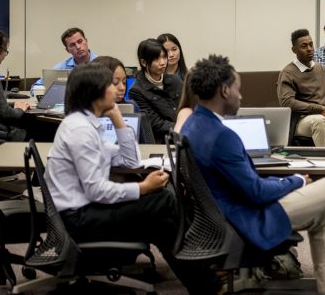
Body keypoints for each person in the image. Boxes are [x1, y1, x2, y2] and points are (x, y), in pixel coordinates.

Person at [181, 55, 325, 295]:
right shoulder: (221, 136)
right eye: (238, 90)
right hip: (249, 218)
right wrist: (297, 181)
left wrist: (284, 183)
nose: (241, 96)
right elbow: (256, 193)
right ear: (224, 90)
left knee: (322, 213)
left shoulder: (193, 124)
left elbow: (247, 184)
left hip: (225, 214)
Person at [44, 62, 218, 294]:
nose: (119, 89)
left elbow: (129, 161)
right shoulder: (80, 131)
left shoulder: (85, 125)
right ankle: (206, 267)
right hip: (78, 219)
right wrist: (143, 187)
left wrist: (118, 119)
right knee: (164, 200)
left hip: (83, 212)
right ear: (94, 92)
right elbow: (97, 191)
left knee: (164, 224)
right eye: (111, 84)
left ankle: (205, 283)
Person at [129, 39, 182, 143]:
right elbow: (156, 123)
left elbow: (186, 106)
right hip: (162, 141)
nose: (162, 62)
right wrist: (182, 128)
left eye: (164, 57)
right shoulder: (137, 90)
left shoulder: (175, 80)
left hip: (182, 135)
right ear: (144, 62)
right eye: (156, 59)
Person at [32, 27, 98, 90]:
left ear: (86, 41)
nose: (78, 47)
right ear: (67, 50)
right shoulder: (61, 68)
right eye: (72, 45)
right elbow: (35, 87)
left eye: (80, 41)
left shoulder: (103, 63)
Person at [0, 30, 31, 142]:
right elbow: (6, 113)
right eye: (5, 52)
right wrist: (19, 109)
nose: (4, 57)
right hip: (3, 138)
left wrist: (12, 104)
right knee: (47, 131)